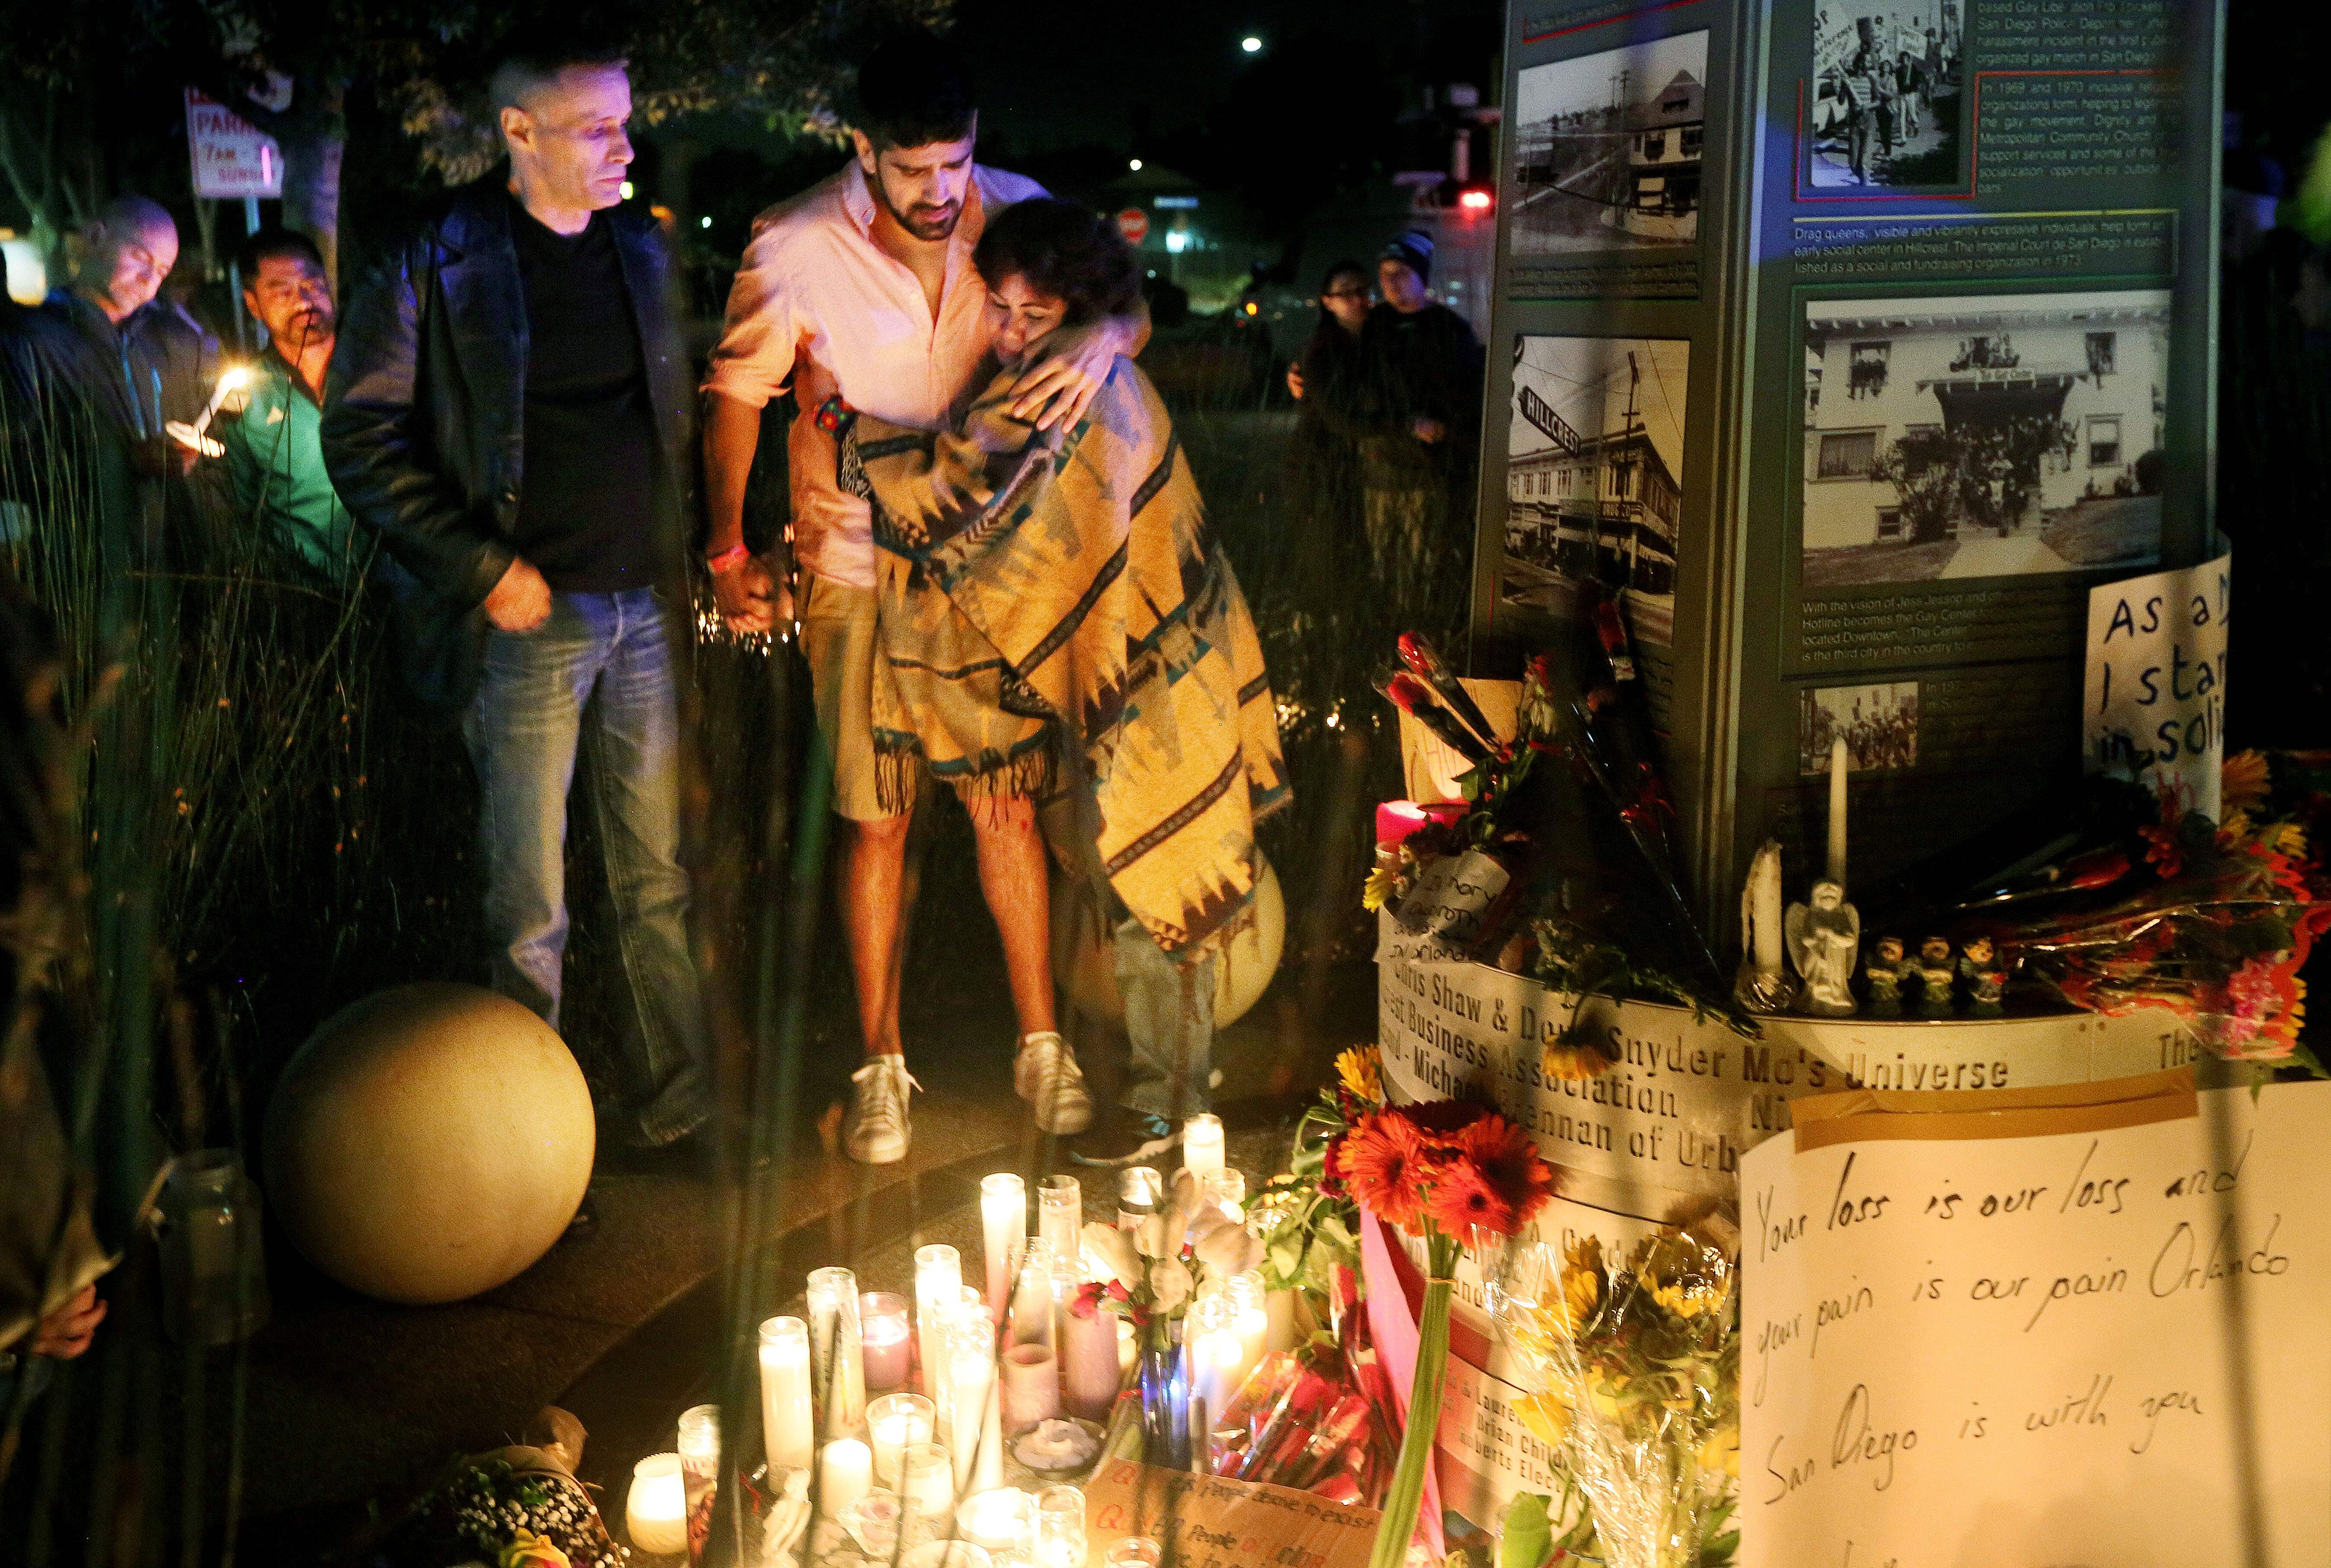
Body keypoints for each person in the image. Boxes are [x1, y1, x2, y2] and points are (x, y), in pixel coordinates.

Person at [701, 33, 1142, 1163]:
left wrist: (1100, 336)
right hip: (853, 558)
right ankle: (882, 1062)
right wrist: (726, 545)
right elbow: (739, 387)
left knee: (1005, 805)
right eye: (913, 172)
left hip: (994, 565)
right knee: (877, 817)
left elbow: (1123, 309)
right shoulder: (795, 241)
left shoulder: (1020, 209)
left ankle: (1042, 1045)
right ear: (863, 149)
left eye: (955, 164)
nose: (940, 193)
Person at [322, 35, 713, 1150]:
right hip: (527, 619)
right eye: (597, 128)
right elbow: (360, 430)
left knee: (656, 879)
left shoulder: (638, 251)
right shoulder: (432, 260)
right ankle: (518, 1150)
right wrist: (481, 565)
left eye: (624, 123)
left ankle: (679, 1108)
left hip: (639, 604)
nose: (623, 147)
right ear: (518, 131)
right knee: (528, 904)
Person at [838, 199, 1288, 1163]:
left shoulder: (1070, 390)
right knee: (1123, 868)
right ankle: (1169, 1093)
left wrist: (848, 423)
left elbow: (949, 491)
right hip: (1151, 664)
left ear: (1079, 312)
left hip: (1148, 676)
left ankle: (1170, 1109)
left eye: (1033, 315)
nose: (1006, 332)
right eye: (996, 307)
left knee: (1141, 868)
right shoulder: (1096, 365)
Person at [218, 228, 368, 583]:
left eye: (313, 285)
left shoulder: (381, 367)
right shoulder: (246, 395)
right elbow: (239, 501)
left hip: (404, 579)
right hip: (303, 584)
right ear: (253, 305)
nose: (304, 301)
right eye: (282, 292)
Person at [1358, 231, 1483, 598]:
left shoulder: (1450, 329)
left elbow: (1468, 394)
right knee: (1385, 566)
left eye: (1400, 272)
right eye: (1384, 273)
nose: (1391, 282)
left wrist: (1446, 432)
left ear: (1421, 276)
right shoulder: (1373, 325)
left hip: (1427, 473)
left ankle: (1425, 637)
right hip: (1379, 469)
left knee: (1425, 564)